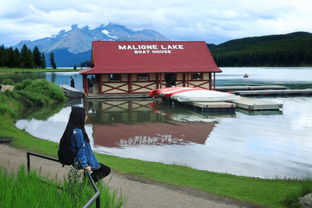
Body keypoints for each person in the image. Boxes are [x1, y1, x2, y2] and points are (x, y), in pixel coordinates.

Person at [61, 106, 110, 183]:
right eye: (85, 115)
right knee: (106, 170)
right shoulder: (78, 132)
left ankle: (86, 183)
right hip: (79, 162)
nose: (86, 117)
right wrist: (85, 165)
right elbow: (81, 149)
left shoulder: (72, 129)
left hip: (77, 160)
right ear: (80, 117)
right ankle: (86, 184)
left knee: (100, 168)